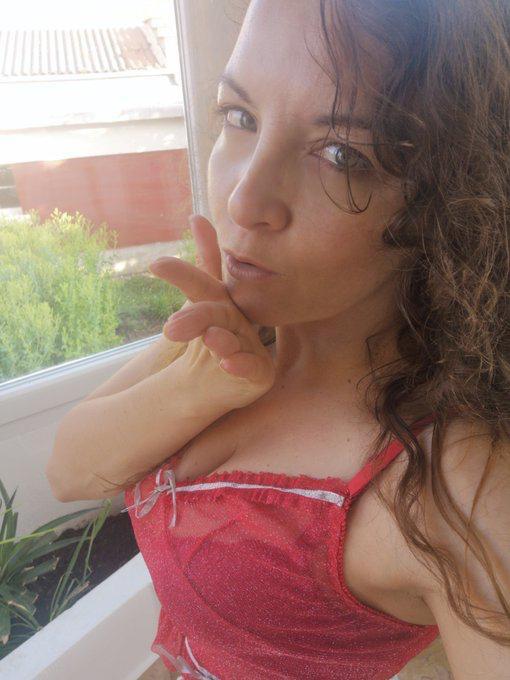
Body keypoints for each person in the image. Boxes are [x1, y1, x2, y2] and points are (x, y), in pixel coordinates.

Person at [53, 0, 510, 678]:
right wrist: (198, 386)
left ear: (451, 199)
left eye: (341, 154)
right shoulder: (239, 328)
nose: (243, 200)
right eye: (240, 116)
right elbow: (68, 473)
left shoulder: (460, 481)